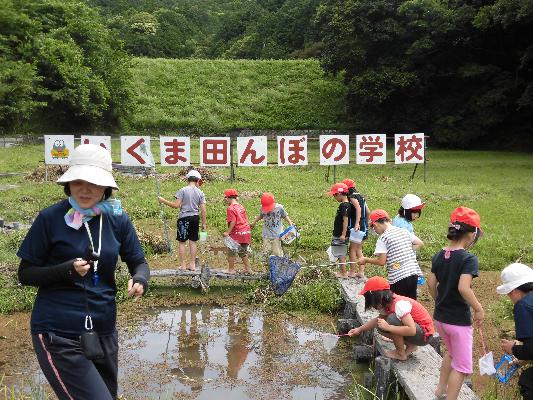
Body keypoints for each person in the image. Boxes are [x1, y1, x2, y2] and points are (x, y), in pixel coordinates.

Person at [17, 144, 150, 400]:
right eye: (78, 181)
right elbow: (26, 273)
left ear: (106, 187)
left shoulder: (117, 218)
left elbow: (138, 261)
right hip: (59, 332)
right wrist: (66, 270)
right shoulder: (51, 218)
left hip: (104, 330)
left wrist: (140, 279)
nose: (85, 189)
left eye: (94, 182)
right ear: (69, 183)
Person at [427, 206, 484, 400]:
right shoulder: (468, 258)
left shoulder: (439, 254)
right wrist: (478, 308)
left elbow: (431, 283)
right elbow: (464, 288)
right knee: (462, 367)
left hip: (441, 318)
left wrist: (439, 300)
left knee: (451, 354)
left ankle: (440, 390)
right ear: (472, 234)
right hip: (459, 321)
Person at [347, 276, 435, 360]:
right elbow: (377, 321)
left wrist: (389, 327)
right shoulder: (386, 305)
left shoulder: (399, 304)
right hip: (416, 333)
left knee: (392, 319)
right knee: (380, 325)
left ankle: (400, 353)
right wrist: (359, 329)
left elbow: (412, 330)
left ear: (378, 297)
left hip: (424, 335)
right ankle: (411, 345)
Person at [358, 209, 423, 299]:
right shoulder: (403, 231)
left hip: (398, 278)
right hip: (413, 274)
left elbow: (381, 261)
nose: (375, 231)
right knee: (411, 303)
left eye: (373, 228)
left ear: (375, 224)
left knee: (398, 305)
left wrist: (365, 260)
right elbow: (419, 243)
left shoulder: (383, 238)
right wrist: (404, 251)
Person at [158, 169, 207, 271]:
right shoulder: (200, 192)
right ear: (197, 180)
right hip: (195, 218)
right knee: (193, 241)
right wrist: (204, 223)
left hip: (184, 218)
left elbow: (176, 205)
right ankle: (192, 264)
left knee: (182, 242)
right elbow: (203, 210)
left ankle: (183, 265)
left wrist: (163, 201)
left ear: (188, 179)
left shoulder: (183, 190)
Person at [497, 262, 533, 400]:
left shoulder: (523, 305)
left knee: (528, 381)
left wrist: (513, 349)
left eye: (508, 294)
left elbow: (531, 349)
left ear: (514, 291)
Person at [250, 192, 294, 258]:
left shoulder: (279, 207)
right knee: (266, 252)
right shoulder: (262, 208)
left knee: (277, 252)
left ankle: (278, 265)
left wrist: (290, 223)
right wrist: (254, 222)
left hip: (277, 234)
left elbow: (285, 215)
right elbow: (261, 216)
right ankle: (268, 264)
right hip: (266, 234)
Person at [342, 179, 370, 278]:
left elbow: (358, 209)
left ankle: (352, 271)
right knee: (359, 249)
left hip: (356, 226)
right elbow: (367, 211)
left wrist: (357, 223)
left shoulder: (352, 197)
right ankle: (361, 271)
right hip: (363, 225)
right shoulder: (361, 196)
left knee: (352, 249)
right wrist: (365, 222)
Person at [223, 189, 252, 274]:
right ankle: (248, 269)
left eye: (225, 197)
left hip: (237, 232)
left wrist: (227, 232)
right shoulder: (241, 206)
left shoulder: (230, 208)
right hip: (246, 231)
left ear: (228, 198)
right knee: (243, 251)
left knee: (230, 250)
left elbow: (233, 221)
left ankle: (231, 269)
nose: (225, 200)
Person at [328, 182, 352, 278]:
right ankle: (343, 272)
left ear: (339, 194)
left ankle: (343, 273)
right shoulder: (346, 204)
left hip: (340, 234)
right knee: (340, 253)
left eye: (334, 195)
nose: (334, 197)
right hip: (340, 233)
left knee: (340, 253)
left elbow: (345, 220)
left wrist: (343, 234)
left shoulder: (344, 206)